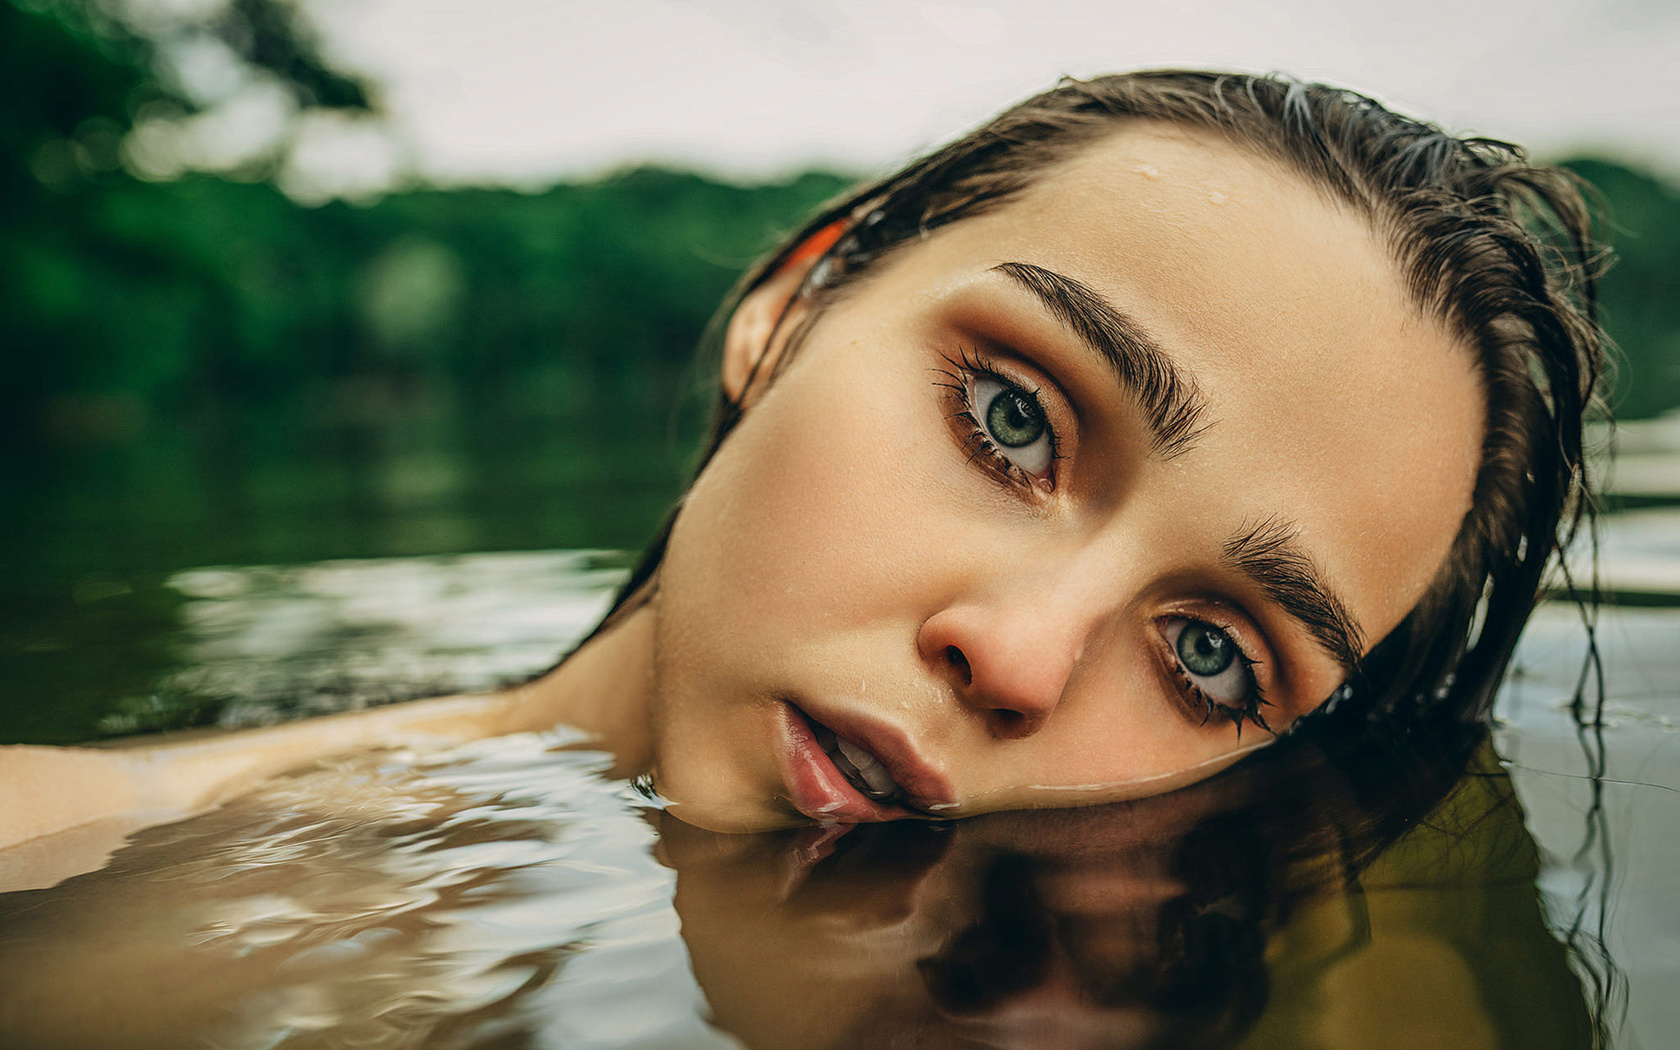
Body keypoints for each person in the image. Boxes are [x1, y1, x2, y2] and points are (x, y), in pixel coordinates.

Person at [0, 69, 1603, 852]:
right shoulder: (75, 863)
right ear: (793, 305)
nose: (1020, 657)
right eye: (1013, 420)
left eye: (1206, 653)